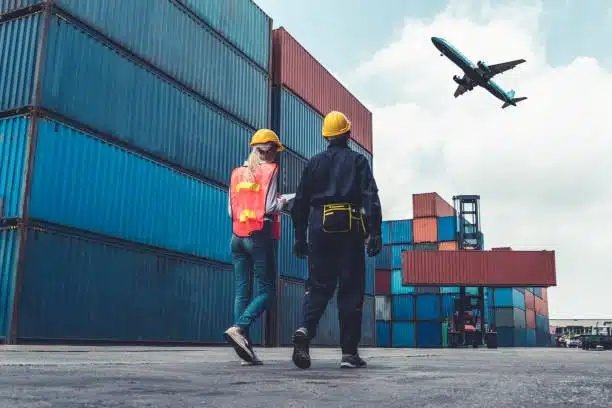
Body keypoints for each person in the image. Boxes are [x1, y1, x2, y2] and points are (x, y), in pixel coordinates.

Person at [290, 111, 382, 369]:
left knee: (318, 286)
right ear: (348, 134)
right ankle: (349, 354)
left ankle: (305, 331)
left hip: (319, 227)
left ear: (326, 136)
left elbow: (300, 203)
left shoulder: (314, 163)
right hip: (349, 227)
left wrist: (299, 236)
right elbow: (370, 197)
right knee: (351, 289)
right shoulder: (358, 161)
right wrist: (375, 232)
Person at [224, 128, 288, 366]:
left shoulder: (237, 174)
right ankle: (239, 329)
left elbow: (231, 210)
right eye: (275, 151)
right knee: (267, 291)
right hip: (259, 237)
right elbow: (270, 206)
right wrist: (284, 201)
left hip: (236, 237)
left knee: (242, 292)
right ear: (270, 150)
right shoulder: (269, 171)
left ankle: (245, 352)